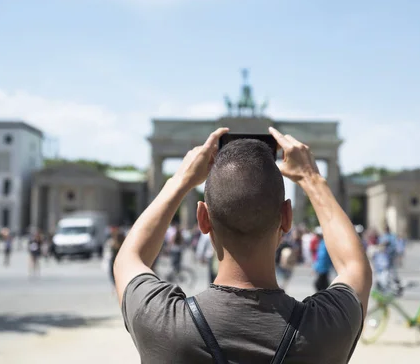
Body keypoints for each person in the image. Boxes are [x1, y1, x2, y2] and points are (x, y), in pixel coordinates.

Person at [113, 127, 371, 363]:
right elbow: (354, 266)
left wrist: (180, 180)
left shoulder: (162, 323)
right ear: (287, 217)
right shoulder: (327, 328)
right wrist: (312, 179)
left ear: (202, 218)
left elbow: (129, 258)